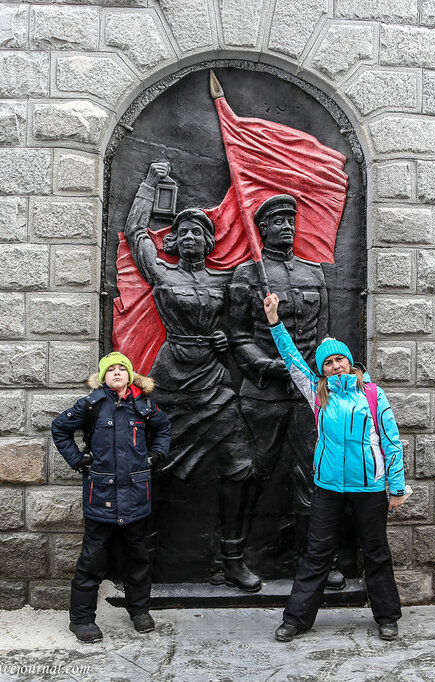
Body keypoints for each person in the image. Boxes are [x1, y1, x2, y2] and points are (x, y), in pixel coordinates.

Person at [123, 161, 263, 592]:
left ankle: (234, 559)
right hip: (172, 380)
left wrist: (225, 340)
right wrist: (148, 185)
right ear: (174, 241)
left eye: (197, 233)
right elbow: (135, 233)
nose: (188, 238)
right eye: (182, 232)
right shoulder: (160, 273)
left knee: (241, 465)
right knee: (155, 466)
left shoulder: (227, 279)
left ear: (208, 241)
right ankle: (143, 562)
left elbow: (245, 322)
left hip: (214, 380)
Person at [261, 292, 407, 642]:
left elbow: (391, 441)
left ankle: (387, 616)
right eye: (329, 363)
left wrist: (397, 487)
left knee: (375, 552)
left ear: (350, 363)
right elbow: (292, 358)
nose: (336, 365)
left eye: (340, 360)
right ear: (322, 369)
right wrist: (274, 322)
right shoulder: (317, 393)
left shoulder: (372, 394)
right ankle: (296, 619)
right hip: (328, 487)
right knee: (316, 553)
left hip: (370, 488)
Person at [228, 195, 345, 589]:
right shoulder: (247, 274)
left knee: (315, 475)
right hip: (263, 394)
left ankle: (316, 560)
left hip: (309, 397)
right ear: (262, 228)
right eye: (277, 222)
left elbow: (324, 337)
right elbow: (239, 337)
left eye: (290, 221)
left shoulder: (314, 274)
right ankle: (231, 557)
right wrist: (269, 367)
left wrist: (319, 375)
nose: (287, 227)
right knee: (251, 475)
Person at [50, 351, 172, 643]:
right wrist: (78, 461)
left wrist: (156, 455)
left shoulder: (143, 405)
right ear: (103, 377)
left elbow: (163, 428)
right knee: (91, 561)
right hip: (100, 495)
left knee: (139, 558)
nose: (117, 373)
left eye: (122, 369)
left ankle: (140, 612)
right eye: (111, 370)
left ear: (130, 376)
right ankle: (81, 620)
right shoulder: (91, 405)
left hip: (135, 496)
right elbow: (60, 429)